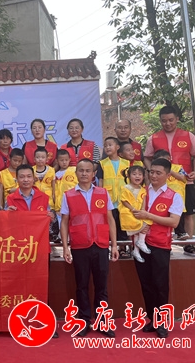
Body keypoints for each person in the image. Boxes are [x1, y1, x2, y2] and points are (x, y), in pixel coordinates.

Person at [60, 159, 119, 338]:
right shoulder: (68, 195)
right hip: (79, 245)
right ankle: (84, 321)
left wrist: (114, 245)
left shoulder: (103, 193)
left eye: (88, 171)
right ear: (76, 173)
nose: (84, 173)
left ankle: (102, 322)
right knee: (82, 285)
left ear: (94, 174)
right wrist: (65, 247)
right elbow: (64, 222)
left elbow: (110, 219)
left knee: (101, 286)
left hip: (100, 244)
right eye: (81, 170)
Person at [132, 158, 183, 339]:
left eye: (158, 173)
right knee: (146, 284)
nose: (153, 175)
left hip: (160, 245)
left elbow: (173, 222)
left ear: (167, 175)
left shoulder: (174, 196)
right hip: (140, 244)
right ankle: (152, 320)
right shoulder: (140, 192)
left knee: (160, 285)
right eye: (151, 172)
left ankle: (162, 322)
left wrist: (149, 216)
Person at [143, 106, 195, 254]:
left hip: (185, 182)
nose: (167, 123)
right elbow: (147, 157)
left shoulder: (188, 136)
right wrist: (151, 171)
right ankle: (164, 244)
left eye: (171, 120)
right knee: (162, 213)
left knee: (187, 212)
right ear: (160, 121)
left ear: (177, 119)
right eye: (164, 121)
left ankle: (188, 245)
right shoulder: (153, 138)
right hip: (163, 184)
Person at [97, 137, 130, 252]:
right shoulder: (102, 163)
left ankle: (123, 248)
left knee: (123, 224)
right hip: (109, 199)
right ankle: (110, 247)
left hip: (123, 199)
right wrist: (100, 196)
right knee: (110, 224)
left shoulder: (126, 163)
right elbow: (100, 181)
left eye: (110, 145)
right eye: (105, 146)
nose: (107, 147)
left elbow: (130, 181)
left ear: (117, 147)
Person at [119, 165, 151, 263]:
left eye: (140, 174)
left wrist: (142, 210)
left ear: (143, 177)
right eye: (134, 174)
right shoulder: (125, 188)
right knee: (138, 226)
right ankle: (140, 243)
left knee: (147, 221)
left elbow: (144, 201)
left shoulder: (143, 189)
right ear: (128, 176)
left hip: (138, 212)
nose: (137, 176)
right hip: (128, 212)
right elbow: (124, 200)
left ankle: (137, 249)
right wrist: (132, 209)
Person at [153, 150, 187, 217]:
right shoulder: (157, 171)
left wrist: (169, 170)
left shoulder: (179, 167)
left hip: (177, 199)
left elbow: (183, 178)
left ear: (168, 159)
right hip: (163, 200)